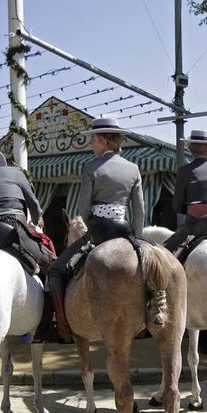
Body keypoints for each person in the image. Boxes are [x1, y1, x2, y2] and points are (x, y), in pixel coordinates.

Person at [46, 115, 145, 343]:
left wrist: (92, 227)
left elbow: (83, 207)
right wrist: (137, 238)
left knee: (56, 270)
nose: (91, 143)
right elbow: (139, 210)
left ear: (103, 141)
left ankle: (62, 326)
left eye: (93, 139)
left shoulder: (92, 166)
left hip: (99, 228)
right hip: (125, 227)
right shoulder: (133, 168)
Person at [163, 127, 207, 250]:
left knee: (166, 251)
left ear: (190, 148)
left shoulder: (184, 171)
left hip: (192, 224)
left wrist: (193, 211)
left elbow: (176, 205)